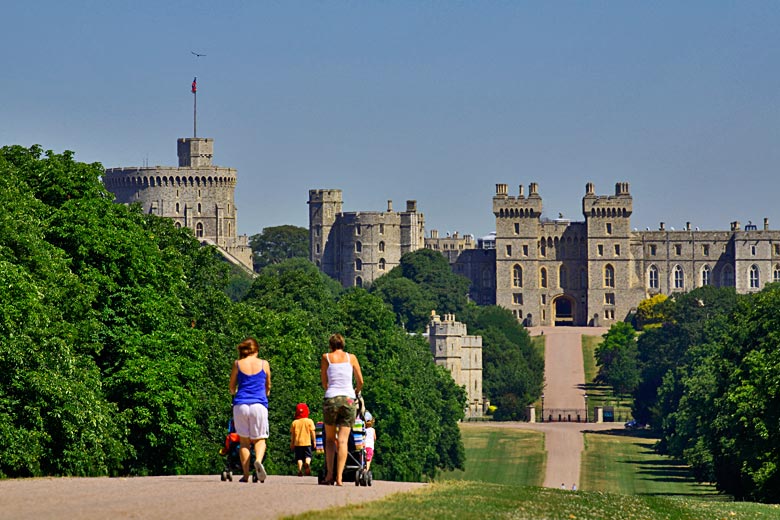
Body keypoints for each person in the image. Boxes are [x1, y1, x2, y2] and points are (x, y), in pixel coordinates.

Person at [321, 333, 364, 486]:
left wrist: (330, 391)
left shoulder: (326, 357)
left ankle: (330, 475)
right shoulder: (351, 358)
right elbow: (360, 381)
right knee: (344, 440)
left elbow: (324, 381)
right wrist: (355, 391)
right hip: (348, 399)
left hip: (332, 397)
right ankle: (340, 477)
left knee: (330, 439)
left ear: (331, 345)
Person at [229, 337, 271, 483]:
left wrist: (234, 392)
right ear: (256, 350)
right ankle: (258, 461)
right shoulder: (264, 364)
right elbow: (268, 386)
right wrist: (265, 393)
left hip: (241, 404)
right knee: (260, 439)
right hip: (259, 405)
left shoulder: (237, 364)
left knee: (244, 441)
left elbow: (232, 387)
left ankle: (246, 475)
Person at [290, 403, 316, 477]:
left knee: (299, 458)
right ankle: (307, 464)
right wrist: (314, 441)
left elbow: (293, 435)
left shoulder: (294, 422)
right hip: (307, 442)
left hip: (297, 443)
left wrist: (292, 443)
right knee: (308, 456)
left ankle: (300, 470)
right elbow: (313, 432)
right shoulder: (309, 421)